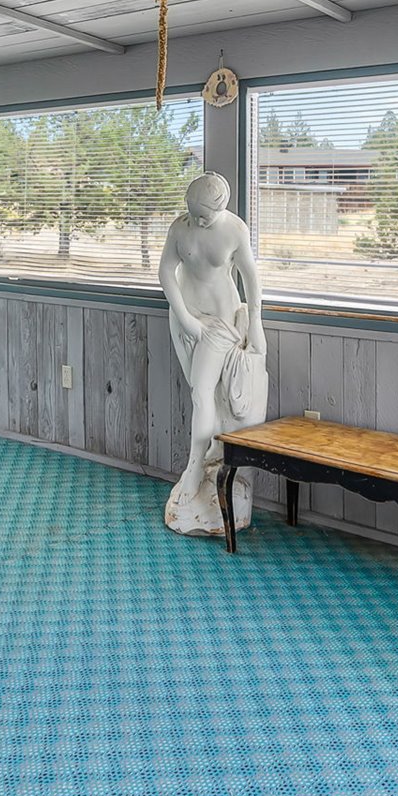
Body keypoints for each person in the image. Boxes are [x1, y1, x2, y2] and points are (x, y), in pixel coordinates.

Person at [158, 172, 269, 534]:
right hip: (185, 318)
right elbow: (165, 272)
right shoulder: (180, 227)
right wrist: (184, 317)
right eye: (191, 214)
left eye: (203, 217)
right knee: (201, 393)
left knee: (202, 391)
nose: (197, 222)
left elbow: (251, 278)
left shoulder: (234, 230)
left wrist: (255, 323)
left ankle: (193, 470)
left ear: (219, 209)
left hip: (220, 323)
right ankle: (208, 455)